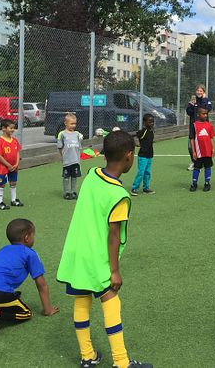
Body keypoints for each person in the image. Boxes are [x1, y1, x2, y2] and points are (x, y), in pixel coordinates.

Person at [56, 130, 153, 368]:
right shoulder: (118, 195)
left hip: (77, 253)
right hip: (97, 258)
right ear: (129, 156)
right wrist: (115, 270)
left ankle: (87, 356)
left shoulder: (91, 175)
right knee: (111, 301)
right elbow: (113, 236)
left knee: (81, 301)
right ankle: (121, 362)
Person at [0, 120, 23, 210]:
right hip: (3, 167)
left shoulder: (14, 140)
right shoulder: (0, 141)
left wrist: (17, 163)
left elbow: (17, 152)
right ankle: (0, 202)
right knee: (1, 184)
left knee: (13, 182)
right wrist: (8, 165)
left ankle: (13, 200)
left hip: (14, 166)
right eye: (10, 128)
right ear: (3, 128)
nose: (12, 130)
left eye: (13, 128)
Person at [57, 113, 84, 200]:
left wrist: (78, 158)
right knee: (66, 177)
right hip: (67, 161)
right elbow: (60, 147)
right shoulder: (62, 134)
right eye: (71, 124)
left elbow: (78, 147)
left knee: (74, 176)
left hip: (75, 160)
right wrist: (63, 156)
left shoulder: (77, 134)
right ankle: (66, 192)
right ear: (66, 123)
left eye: (75, 124)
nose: (73, 125)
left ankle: (73, 192)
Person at [186, 84, 212, 171]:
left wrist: (204, 99)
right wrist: (190, 105)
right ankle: (194, 161)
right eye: (198, 90)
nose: (199, 92)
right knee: (190, 146)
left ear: (204, 92)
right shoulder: (193, 101)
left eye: (201, 91)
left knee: (204, 145)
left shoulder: (206, 100)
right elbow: (189, 112)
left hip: (203, 128)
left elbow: (208, 109)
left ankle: (203, 162)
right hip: (194, 127)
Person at [189, 106, 215, 192]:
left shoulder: (209, 125)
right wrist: (193, 151)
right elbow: (192, 139)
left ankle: (207, 183)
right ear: (198, 114)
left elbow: (211, 138)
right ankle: (194, 184)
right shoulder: (194, 125)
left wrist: (213, 149)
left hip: (207, 151)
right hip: (198, 152)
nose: (205, 115)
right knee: (197, 168)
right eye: (203, 114)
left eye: (206, 114)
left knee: (208, 167)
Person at [130, 114, 155, 196]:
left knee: (147, 172)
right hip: (143, 156)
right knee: (141, 172)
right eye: (150, 122)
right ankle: (134, 188)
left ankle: (146, 188)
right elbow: (134, 136)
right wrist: (136, 144)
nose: (151, 123)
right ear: (145, 122)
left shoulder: (152, 131)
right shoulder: (143, 131)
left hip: (149, 155)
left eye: (152, 122)